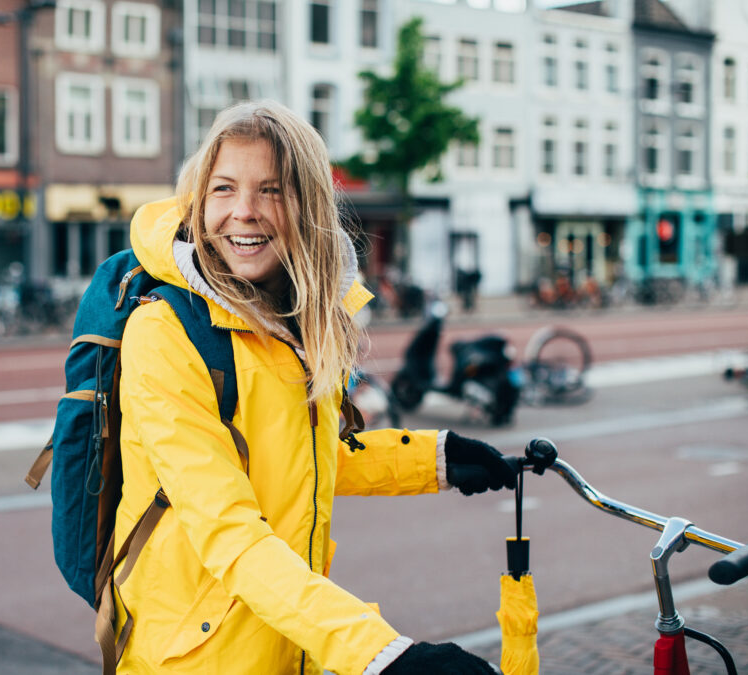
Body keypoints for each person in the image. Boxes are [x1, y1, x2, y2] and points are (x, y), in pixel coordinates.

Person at [113, 100, 515, 674]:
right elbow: (226, 529)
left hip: (283, 637)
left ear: (307, 206)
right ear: (198, 200)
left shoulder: (289, 321)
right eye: (223, 189)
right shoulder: (166, 333)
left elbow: (303, 457)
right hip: (197, 659)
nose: (243, 212)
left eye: (270, 190)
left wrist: (438, 458)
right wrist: (382, 655)